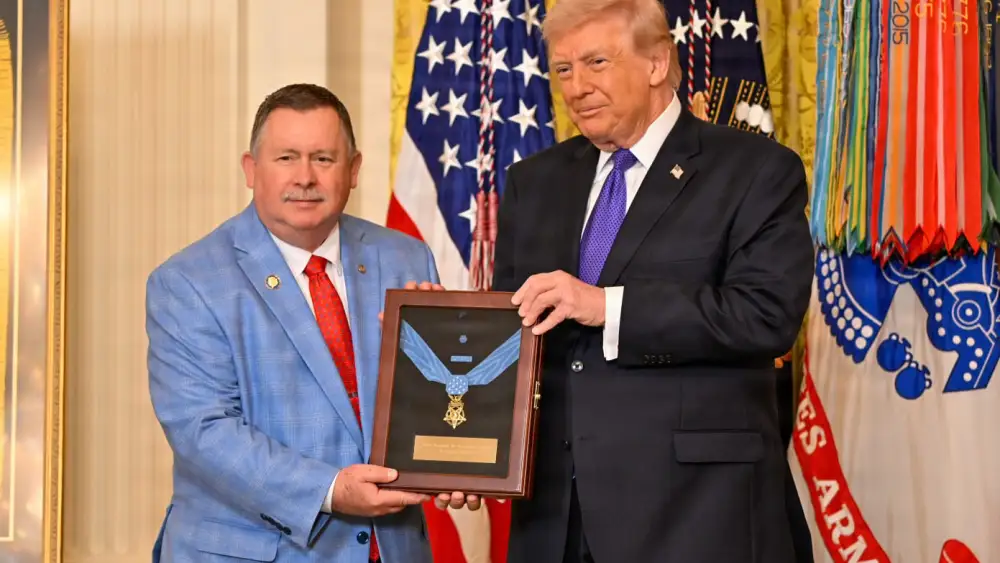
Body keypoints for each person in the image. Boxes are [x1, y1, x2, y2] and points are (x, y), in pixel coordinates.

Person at [438, 0, 816, 561]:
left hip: (698, 516)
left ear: (657, 63)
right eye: (563, 70)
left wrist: (607, 307)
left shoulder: (755, 169)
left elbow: (765, 317)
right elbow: (515, 339)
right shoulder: (534, 182)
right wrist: (465, 448)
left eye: (596, 62)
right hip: (555, 521)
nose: (577, 86)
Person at [146, 83, 439, 563]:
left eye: (323, 158)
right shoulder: (187, 282)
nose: (305, 177)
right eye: (286, 158)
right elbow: (204, 430)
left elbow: (436, 400)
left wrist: (458, 466)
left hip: (393, 548)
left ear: (355, 170)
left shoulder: (406, 258)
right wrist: (331, 489)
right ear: (250, 169)